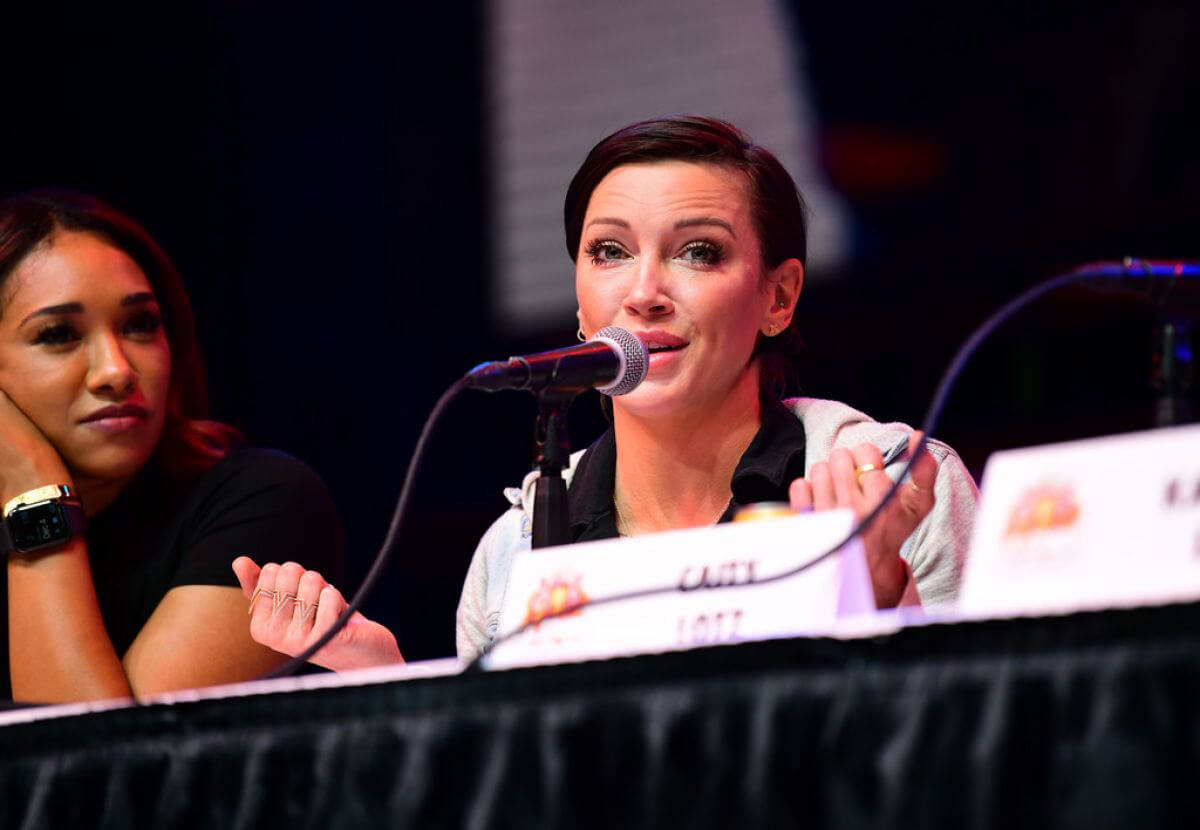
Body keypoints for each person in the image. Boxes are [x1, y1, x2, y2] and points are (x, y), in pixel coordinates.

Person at [238, 115, 978, 669]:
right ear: (582, 297)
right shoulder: (516, 548)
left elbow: (990, 757)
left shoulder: (888, 482)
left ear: (779, 298)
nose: (645, 293)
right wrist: (387, 680)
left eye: (698, 252)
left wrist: (886, 604)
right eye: (610, 252)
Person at [0, 191, 344, 703]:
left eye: (139, 325)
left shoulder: (265, 503)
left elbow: (100, 768)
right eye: (58, 334)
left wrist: (34, 492)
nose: (116, 371)